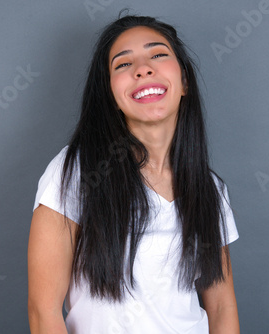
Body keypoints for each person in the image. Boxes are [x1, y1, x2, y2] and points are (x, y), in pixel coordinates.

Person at [28, 13, 240, 334]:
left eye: (158, 54)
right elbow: (43, 311)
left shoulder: (209, 188)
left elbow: (222, 305)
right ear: (111, 95)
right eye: (123, 64)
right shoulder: (76, 172)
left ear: (184, 82)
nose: (143, 68)